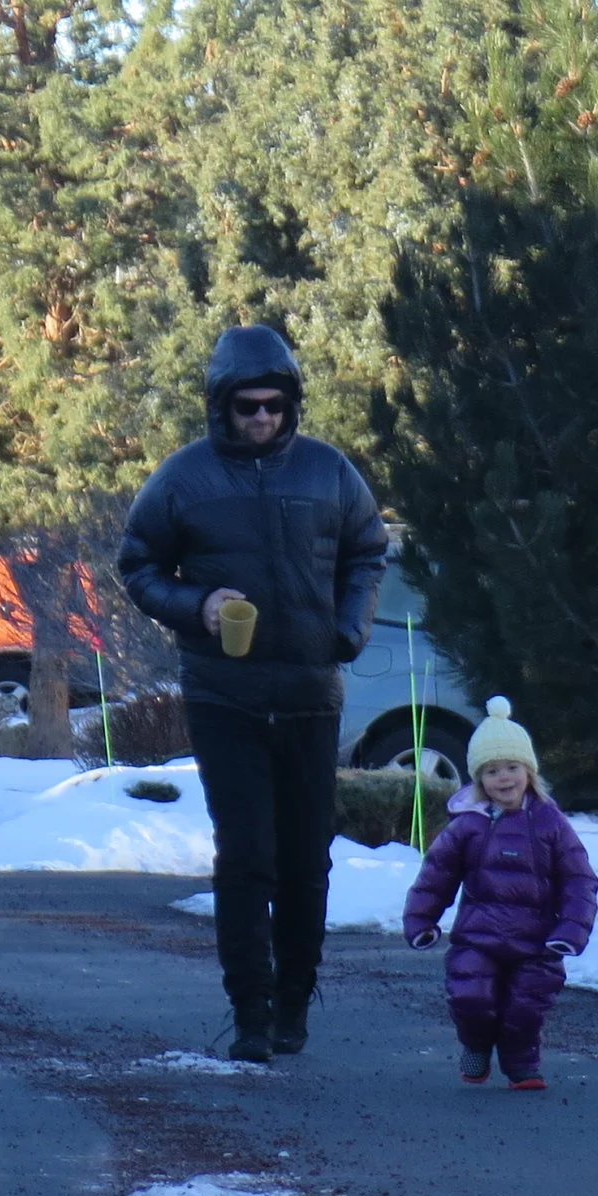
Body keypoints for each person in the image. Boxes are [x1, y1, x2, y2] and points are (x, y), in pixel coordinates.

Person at [119, 325, 389, 1062]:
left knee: (306, 858)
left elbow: (369, 548)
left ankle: (296, 999)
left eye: (273, 405)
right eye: (248, 407)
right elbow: (138, 565)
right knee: (246, 855)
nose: (262, 418)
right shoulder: (184, 478)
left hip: (310, 689)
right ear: (222, 406)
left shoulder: (330, 473)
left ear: (291, 402)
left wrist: (347, 629)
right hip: (224, 693)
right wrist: (197, 605)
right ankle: (251, 1012)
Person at [401, 698, 598, 1091]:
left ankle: (521, 1061)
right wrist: (421, 919)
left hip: (538, 940)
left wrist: (572, 930)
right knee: (470, 997)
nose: (503, 778)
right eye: (492, 771)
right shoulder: (467, 826)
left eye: (512, 768)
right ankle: (475, 1045)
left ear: (529, 772)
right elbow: (436, 877)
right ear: (478, 779)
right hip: (479, 936)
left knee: (526, 1007)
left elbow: (579, 880)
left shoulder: (551, 824)